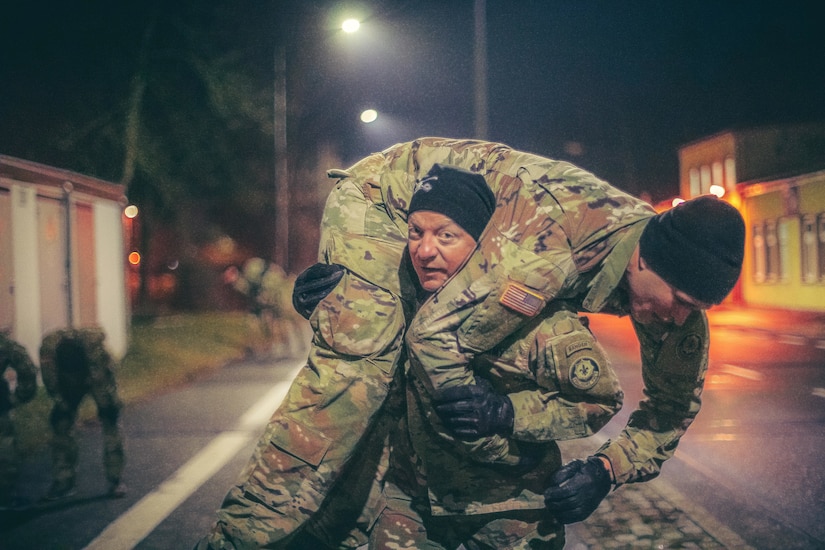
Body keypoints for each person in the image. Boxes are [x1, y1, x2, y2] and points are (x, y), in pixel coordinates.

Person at [198, 137, 744, 548]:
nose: (677, 320)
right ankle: (246, 529)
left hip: (474, 227)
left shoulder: (675, 303)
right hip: (386, 199)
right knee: (364, 365)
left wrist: (606, 470)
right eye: (678, 301)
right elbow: (435, 335)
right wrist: (352, 302)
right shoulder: (547, 246)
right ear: (645, 257)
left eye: (695, 310)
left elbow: (671, 410)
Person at [369, 163, 625, 549]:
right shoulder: (400, 301)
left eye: (446, 235)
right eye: (415, 233)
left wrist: (508, 411)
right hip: (411, 502)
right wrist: (326, 301)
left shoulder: (536, 318)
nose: (424, 250)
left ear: (481, 245)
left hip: (510, 512)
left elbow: (598, 401)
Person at [39, 327, 126, 500]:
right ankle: (64, 481)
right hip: (67, 380)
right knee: (60, 421)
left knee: (110, 418)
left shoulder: (95, 355)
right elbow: (51, 382)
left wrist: (108, 405)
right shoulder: (49, 351)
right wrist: (61, 402)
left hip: (99, 377)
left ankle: (115, 479)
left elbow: (104, 383)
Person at [0, 333, 38, 509]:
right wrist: (20, 396)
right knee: (5, 448)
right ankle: (5, 497)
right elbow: (27, 368)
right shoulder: (4, 344)